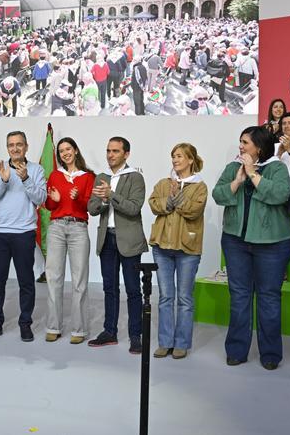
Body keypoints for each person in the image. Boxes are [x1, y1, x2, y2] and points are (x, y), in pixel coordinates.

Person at [213, 126, 290, 370]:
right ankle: (237, 350)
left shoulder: (277, 167)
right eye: (240, 142)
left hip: (272, 244)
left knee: (269, 298)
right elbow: (218, 195)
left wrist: (253, 174)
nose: (240, 147)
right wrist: (238, 180)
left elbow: (280, 194)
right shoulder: (231, 168)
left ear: (259, 147)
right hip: (235, 242)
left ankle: (270, 354)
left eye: (245, 143)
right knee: (239, 297)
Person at [0, 131, 47, 342]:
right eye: (11, 145)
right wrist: (2, 181)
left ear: (26, 147)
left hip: (24, 233)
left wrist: (26, 178)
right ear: (7, 147)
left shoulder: (36, 170)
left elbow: (40, 198)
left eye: (19, 144)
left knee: (26, 280)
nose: (15, 148)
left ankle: (25, 323)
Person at [87, 137, 148, 354]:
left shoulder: (135, 177)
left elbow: (133, 208)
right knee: (109, 288)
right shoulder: (101, 178)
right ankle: (109, 332)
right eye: (108, 151)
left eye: (115, 151)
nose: (110, 155)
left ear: (126, 154)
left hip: (129, 241)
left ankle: (135, 336)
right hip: (107, 240)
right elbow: (92, 208)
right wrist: (103, 200)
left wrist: (111, 195)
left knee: (133, 290)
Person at [148, 143, 207, 360]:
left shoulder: (200, 186)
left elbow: (194, 210)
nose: (175, 160)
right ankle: (165, 342)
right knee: (165, 297)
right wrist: (170, 199)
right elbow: (154, 204)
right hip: (161, 248)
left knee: (184, 298)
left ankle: (181, 343)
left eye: (180, 156)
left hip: (188, 250)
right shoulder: (164, 183)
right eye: (173, 156)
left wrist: (176, 199)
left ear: (191, 159)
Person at [44, 137, 95, 344]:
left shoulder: (88, 177)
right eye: (61, 150)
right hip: (56, 227)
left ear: (75, 150)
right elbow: (48, 205)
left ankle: (78, 330)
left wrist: (78, 198)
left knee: (79, 280)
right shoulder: (55, 175)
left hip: (78, 227)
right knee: (54, 277)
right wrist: (53, 200)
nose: (65, 153)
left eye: (68, 149)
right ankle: (53, 326)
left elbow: (90, 206)